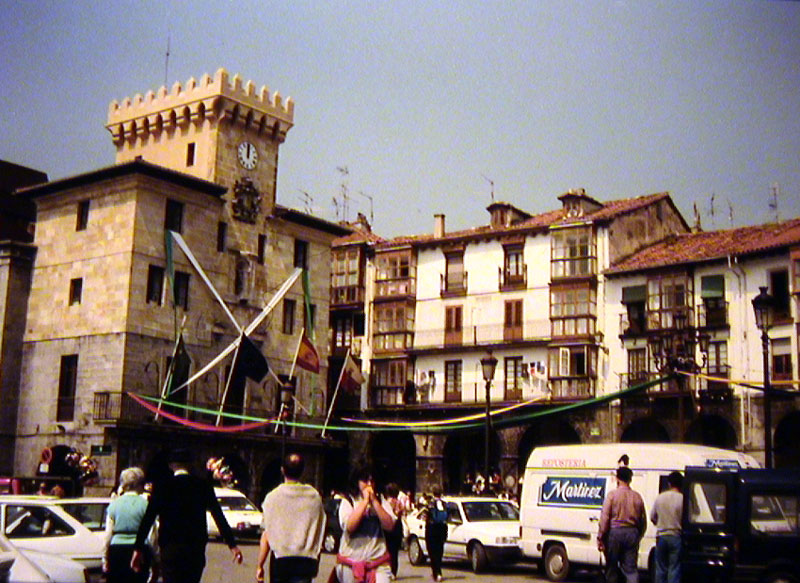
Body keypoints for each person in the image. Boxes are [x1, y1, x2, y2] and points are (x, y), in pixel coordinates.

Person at [131, 449, 243, 583]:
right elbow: (218, 515)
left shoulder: (163, 487)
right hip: (195, 548)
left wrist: (138, 548)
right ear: (190, 465)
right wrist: (232, 544)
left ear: (171, 466)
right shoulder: (202, 486)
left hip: (170, 547)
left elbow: (148, 519)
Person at [255, 453, 326, 583]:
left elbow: (266, 535)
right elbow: (319, 529)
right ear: (302, 470)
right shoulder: (314, 497)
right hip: (305, 560)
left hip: (281, 559)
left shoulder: (272, 498)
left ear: (282, 470)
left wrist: (260, 564)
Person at [334, 466, 395, 583]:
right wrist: (365, 502)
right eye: (365, 481)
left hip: (377, 563)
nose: (369, 485)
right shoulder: (348, 501)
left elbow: (389, 525)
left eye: (372, 481)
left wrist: (375, 503)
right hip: (351, 563)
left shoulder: (381, 501)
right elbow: (350, 526)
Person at [597, 466, 646, 583]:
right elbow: (643, 521)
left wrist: (600, 537)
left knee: (612, 568)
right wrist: (638, 536)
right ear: (630, 479)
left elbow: (605, 518)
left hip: (615, 532)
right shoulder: (637, 497)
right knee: (631, 569)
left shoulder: (612, 495)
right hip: (632, 532)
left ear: (617, 479)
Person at [103, 467, 152, 583]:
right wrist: (155, 557)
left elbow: (108, 535)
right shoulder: (146, 505)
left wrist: (105, 557)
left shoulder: (114, 505)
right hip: (139, 549)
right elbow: (152, 534)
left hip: (117, 550)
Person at [650, 471, 683, 583]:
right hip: (676, 536)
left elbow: (652, 516)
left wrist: (659, 523)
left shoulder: (660, 498)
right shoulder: (683, 499)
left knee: (660, 569)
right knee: (674, 568)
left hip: (662, 536)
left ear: (669, 483)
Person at [424, 485, 448, 582]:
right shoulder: (445, 504)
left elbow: (425, 515)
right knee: (439, 550)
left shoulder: (430, 503)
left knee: (431, 550)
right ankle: (439, 571)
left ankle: (436, 572)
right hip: (442, 528)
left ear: (433, 493)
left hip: (432, 528)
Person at [383, 483, 405, 580]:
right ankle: (394, 572)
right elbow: (403, 512)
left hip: (387, 527)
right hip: (398, 526)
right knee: (395, 552)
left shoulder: (386, 503)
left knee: (386, 550)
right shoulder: (399, 502)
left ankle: (387, 570)